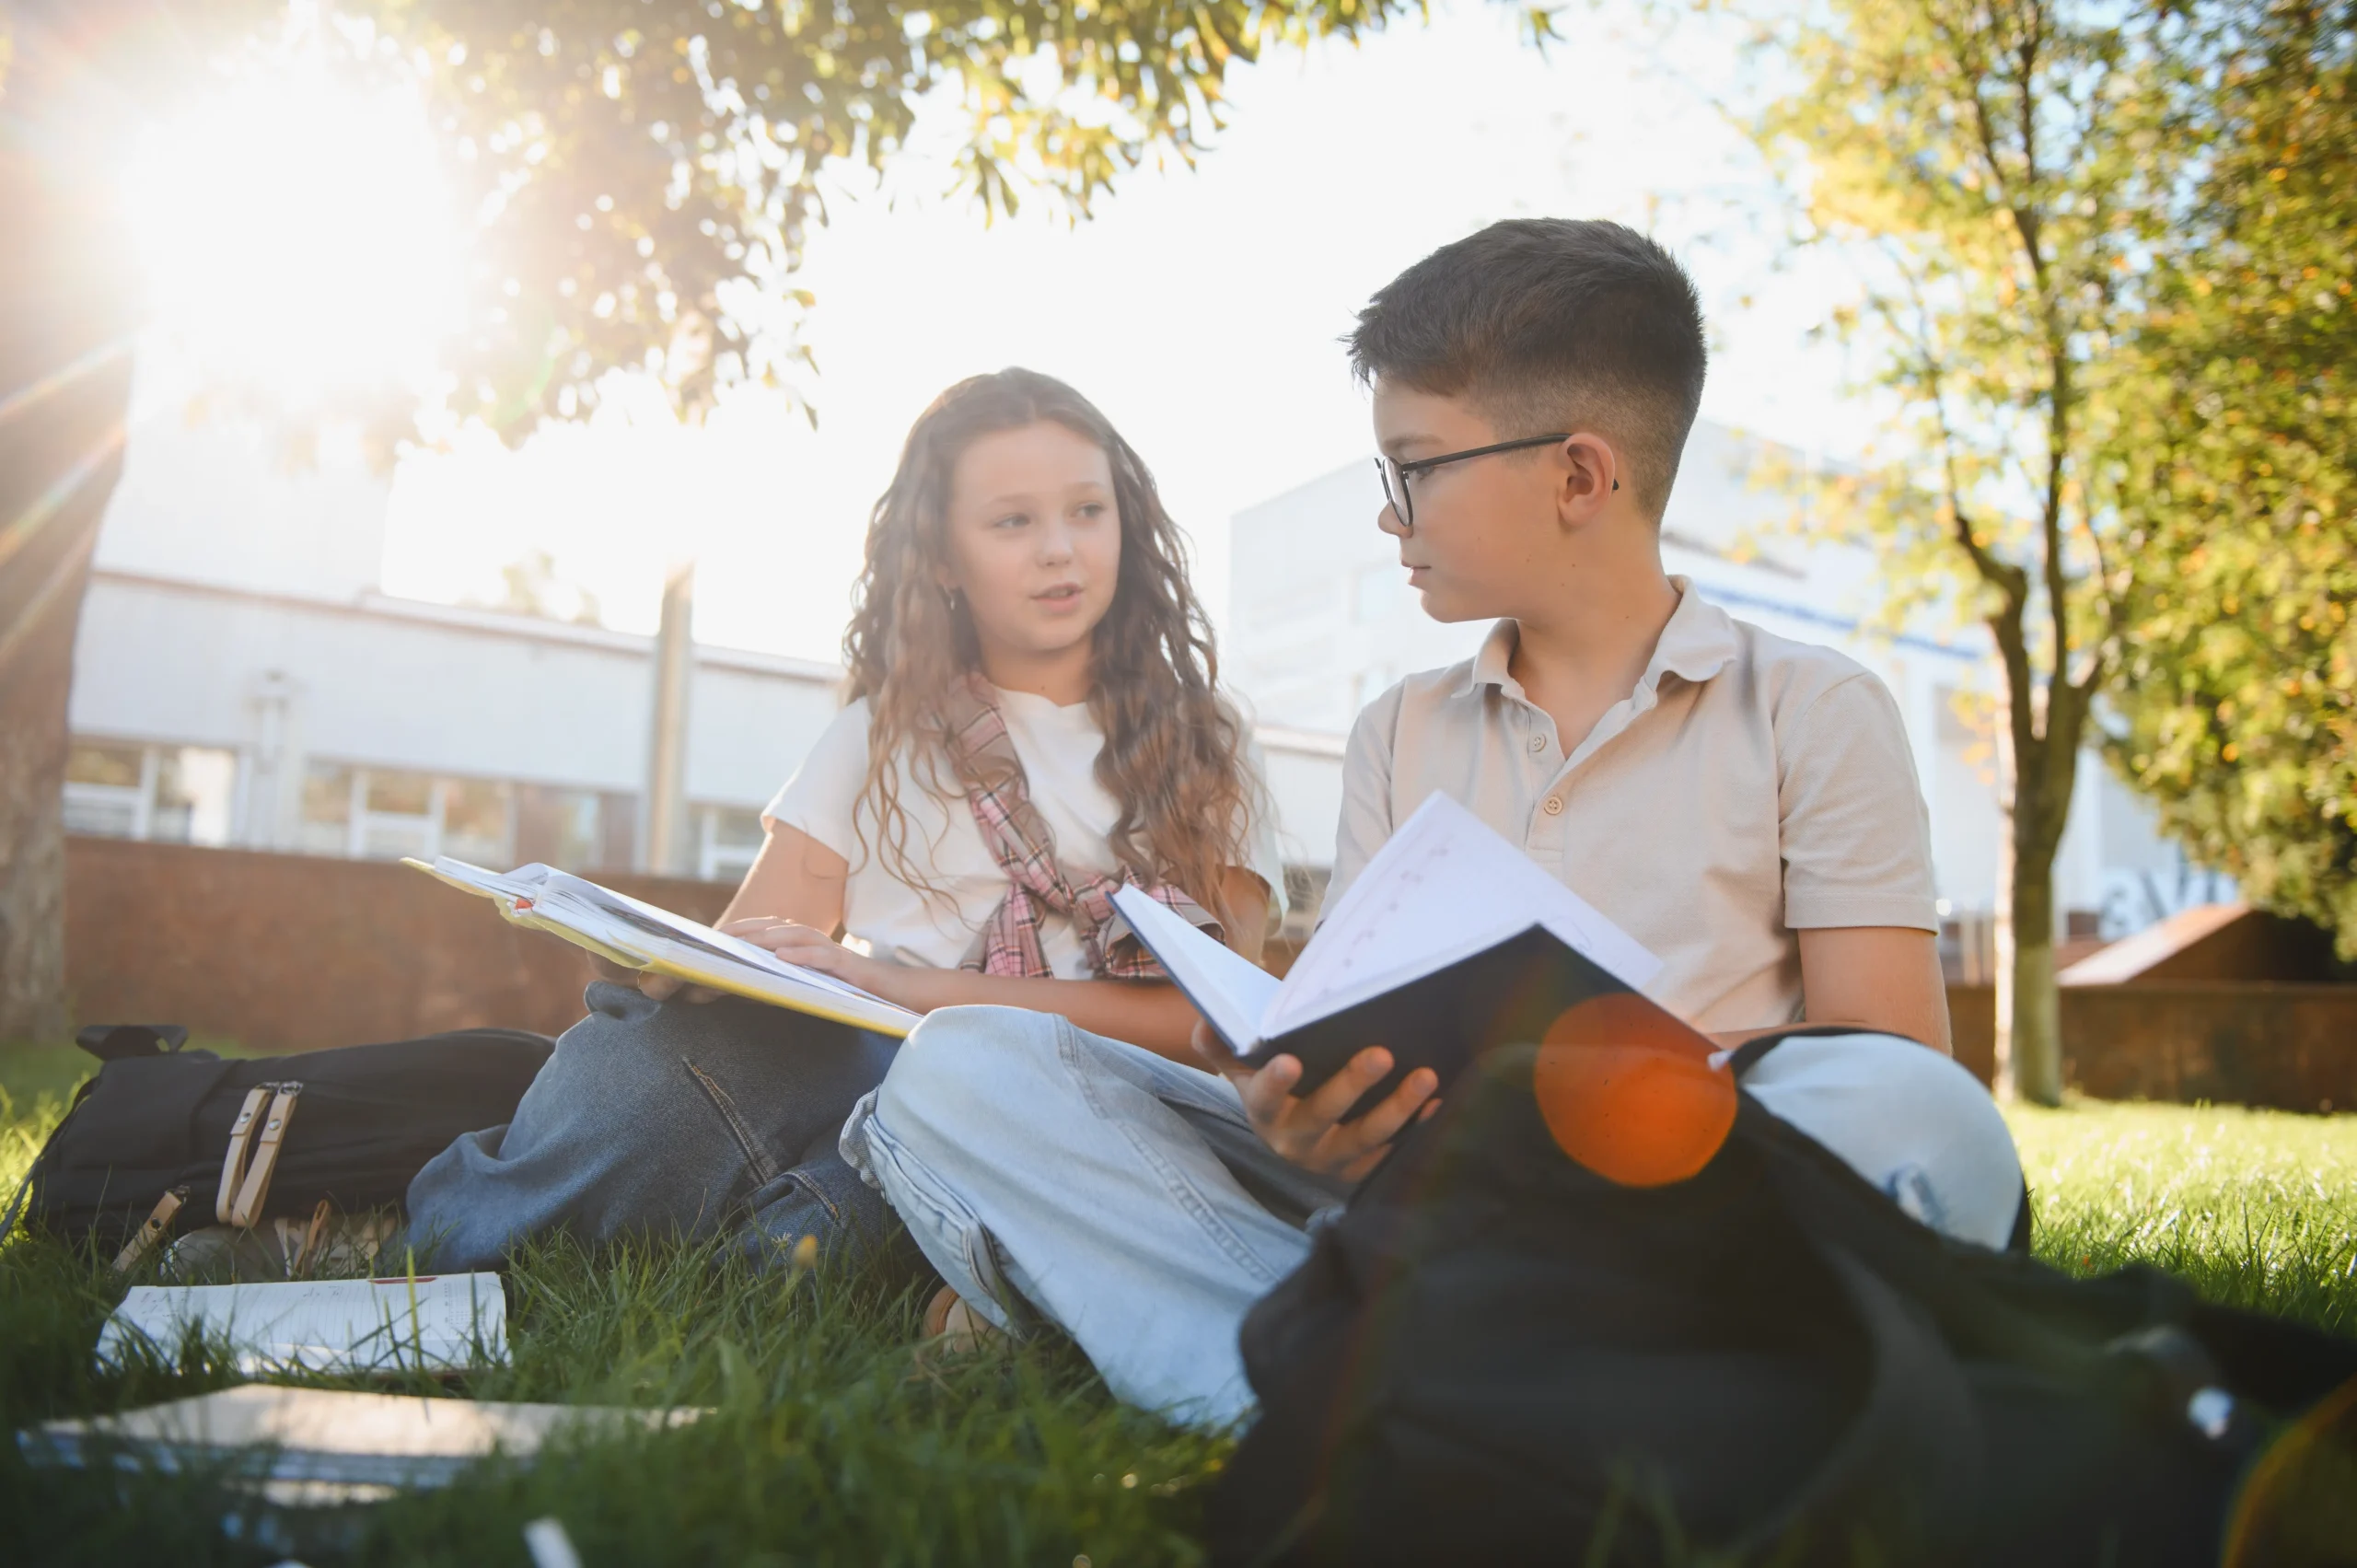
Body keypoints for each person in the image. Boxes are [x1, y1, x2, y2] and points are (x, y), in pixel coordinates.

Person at [841, 219, 2024, 1425]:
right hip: (1423, 1208)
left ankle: (1340, 1362)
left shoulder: (1814, 707)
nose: (1387, 515)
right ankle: (1360, 1373)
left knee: (1926, 1117)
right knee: (966, 1070)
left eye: (1413, 468)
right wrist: (1309, 1116)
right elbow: (1353, 1045)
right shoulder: (1398, 731)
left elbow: (1887, 1065)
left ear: (1577, 475)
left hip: (1693, 1219)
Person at [407, 368, 1283, 1273]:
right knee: (650, 1068)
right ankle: (431, 1247)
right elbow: (754, 957)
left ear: (1126, 525)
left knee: (823, 1230)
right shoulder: (878, 738)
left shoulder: (1204, 742)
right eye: (1013, 520)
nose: (1059, 548)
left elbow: (1213, 1027)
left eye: (1087, 511)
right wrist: (671, 967)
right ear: (942, 556)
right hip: (876, 1066)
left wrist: (914, 993)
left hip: (1084, 1110)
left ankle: (771, 1240)